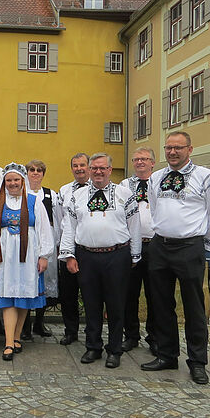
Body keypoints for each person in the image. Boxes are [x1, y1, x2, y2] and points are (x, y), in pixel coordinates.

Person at [141, 131, 210, 385]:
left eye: (178, 148)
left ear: (190, 149)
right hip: (160, 247)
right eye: (168, 148)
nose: (172, 152)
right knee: (161, 304)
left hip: (190, 247)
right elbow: (154, 207)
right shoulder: (156, 177)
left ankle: (198, 362)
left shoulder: (206, 177)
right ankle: (166, 354)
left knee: (194, 306)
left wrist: (204, 244)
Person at [59, 153, 141, 369]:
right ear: (89, 170)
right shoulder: (78, 196)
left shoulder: (125, 194)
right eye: (94, 168)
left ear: (110, 169)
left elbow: (135, 226)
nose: (98, 172)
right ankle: (93, 346)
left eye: (102, 168)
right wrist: (69, 254)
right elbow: (69, 227)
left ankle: (114, 350)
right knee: (91, 303)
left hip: (117, 255)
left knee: (116, 304)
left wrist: (134, 255)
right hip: (87, 256)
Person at [0, 163, 54, 361]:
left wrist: (44, 255)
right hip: (6, 255)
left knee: (23, 295)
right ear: (4, 183)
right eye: (9, 180)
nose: (13, 183)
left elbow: (43, 229)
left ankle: (16, 337)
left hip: (28, 254)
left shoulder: (33, 201)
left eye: (16, 180)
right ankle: (8, 342)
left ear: (22, 182)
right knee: (8, 295)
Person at [119, 147, 158, 355]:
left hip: (154, 245)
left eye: (145, 159)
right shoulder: (125, 185)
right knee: (129, 293)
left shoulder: (159, 182)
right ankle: (131, 335)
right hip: (131, 244)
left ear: (153, 162)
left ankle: (154, 336)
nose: (140, 162)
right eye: (136, 159)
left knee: (155, 293)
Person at [54, 153, 90, 345]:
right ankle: (71, 330)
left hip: (90, 247)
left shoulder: (96, 188)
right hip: (68, 246)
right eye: (75, 166)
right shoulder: (65, 190)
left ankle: (93, 330)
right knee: (68, 293)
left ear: (89, 166)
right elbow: (61, 218)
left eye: (82, 165)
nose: (79, 169)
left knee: (90, 292)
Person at [21, 159, 58, 339]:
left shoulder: (51, 195)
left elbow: (57, 220)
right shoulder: (22, 194)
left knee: (44, 280)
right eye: (32, 170)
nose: (35, 173)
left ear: (43, 174)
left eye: (39, 170)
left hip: (46, 239)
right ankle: (25, 325)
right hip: (27, 240)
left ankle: (40, 323)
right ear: (26, 173)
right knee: (28, 280)